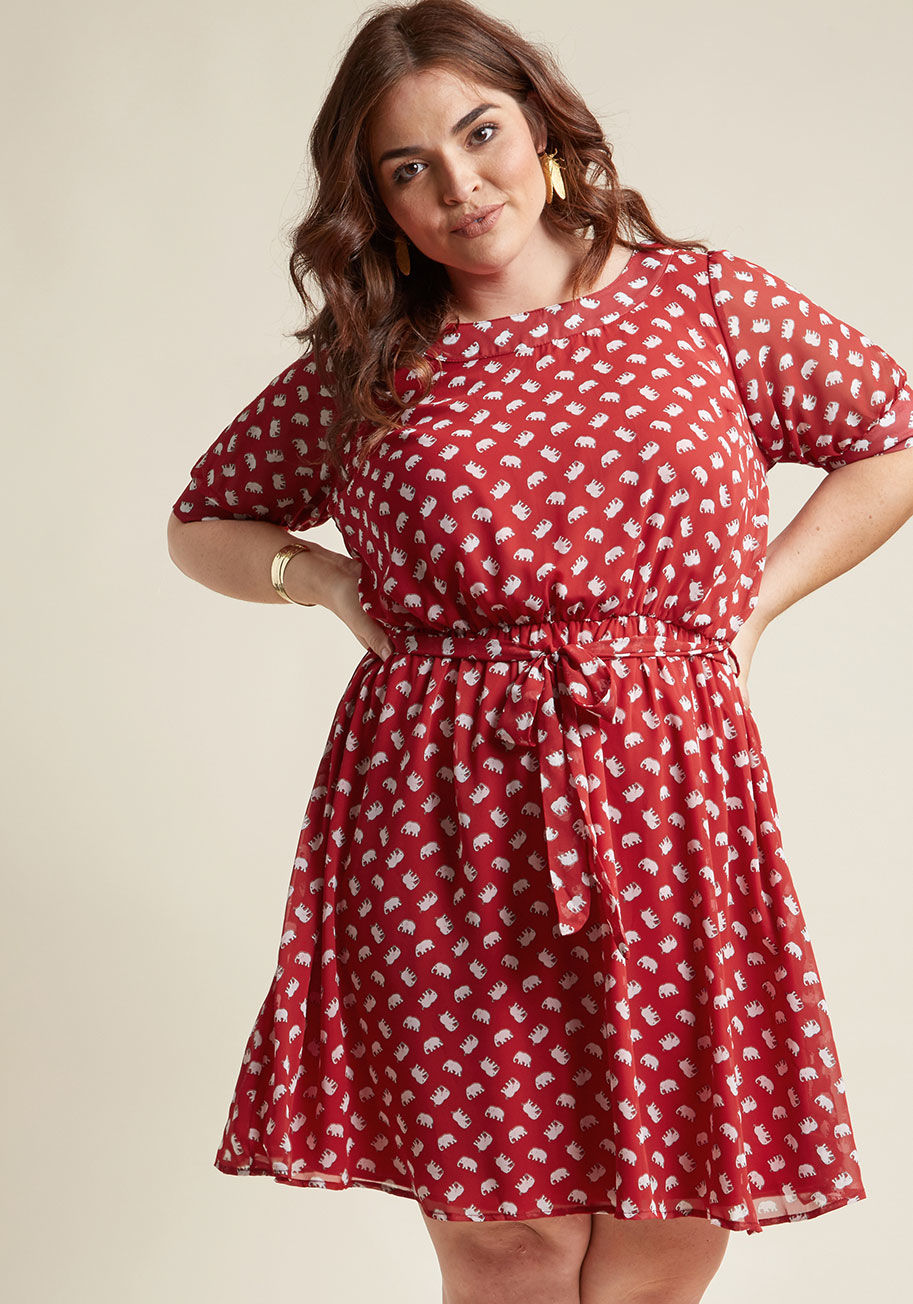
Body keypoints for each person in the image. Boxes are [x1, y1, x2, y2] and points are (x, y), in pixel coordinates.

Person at [166, 2, 913, 1301]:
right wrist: (319, 574)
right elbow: (205, 524)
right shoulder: (372, 361)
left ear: (541, 122)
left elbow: (890, 437)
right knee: (503, 1234)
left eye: (478, 133)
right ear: (374, 202)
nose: (459, 187)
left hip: (668, 799)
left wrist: (750, 607)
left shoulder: (703, 305)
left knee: (667, 1222)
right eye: (408, 168)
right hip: (442, 816)